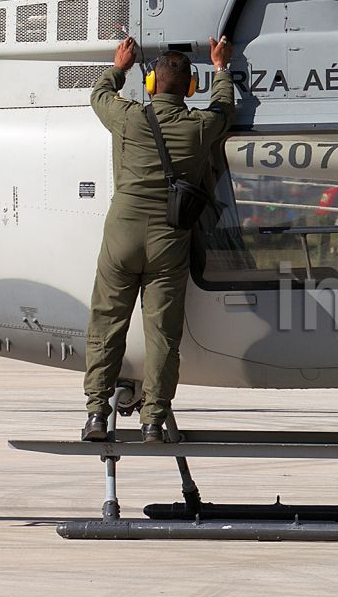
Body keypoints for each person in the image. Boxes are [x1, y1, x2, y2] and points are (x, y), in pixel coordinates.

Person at [81, 35, 235, 444]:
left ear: (151, 85)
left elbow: (99, 94)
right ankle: (153, 420)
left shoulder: (129, 118)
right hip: (170, 237)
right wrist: (220, 66)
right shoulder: (200, 127)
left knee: (106, 323)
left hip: (122, 234)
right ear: (190, 89)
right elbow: (224, 107)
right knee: (163, 334)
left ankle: (97, 413)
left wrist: (120, 65)